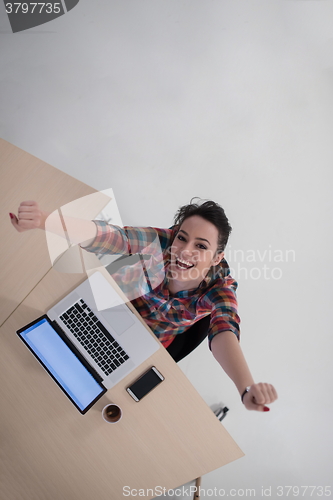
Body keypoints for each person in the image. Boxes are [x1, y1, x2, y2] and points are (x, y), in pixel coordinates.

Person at [10, 198, 278, 412]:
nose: (184, 251)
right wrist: (46, 221)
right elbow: (115, 238)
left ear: (217, 257)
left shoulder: (220, 288)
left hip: (145, 341)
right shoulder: (163, 241)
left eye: (201, 246)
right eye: (182, 238)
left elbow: (224, 330)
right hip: (109, 307)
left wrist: (245, 388)